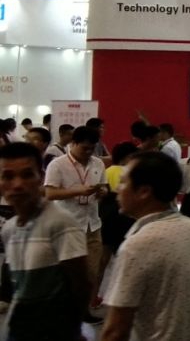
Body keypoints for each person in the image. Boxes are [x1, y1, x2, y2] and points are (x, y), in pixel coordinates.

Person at [101, 151, 190, 341]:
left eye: (123, 182)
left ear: (144, 192)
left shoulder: (138, 245)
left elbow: (115, 331)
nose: (118, 189)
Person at [0, 142, 91, 340]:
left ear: (40, 177)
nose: (17, 184)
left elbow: (81, 285)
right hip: (19, 330)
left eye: (27, 175)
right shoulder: (9, 229)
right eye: (8, 176)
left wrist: (73, 329)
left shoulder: (61, 223)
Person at [44, 125, 107, 323]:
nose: (88, 152)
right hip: (67, 226)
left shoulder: (98, 163)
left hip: (92, 225)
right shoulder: (57, 165)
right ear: (73, 143)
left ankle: (83, 311)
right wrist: (78, 191)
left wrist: (102, 192)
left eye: (92, 148)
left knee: (91, 272)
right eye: (84, 148)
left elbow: (104, 187)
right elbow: (50, 193)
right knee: (67, 272)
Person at [98, 142, 139, 296]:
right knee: (125, 259)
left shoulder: (106, 171)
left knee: (103, 260)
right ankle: (123, 294)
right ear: (126, 157)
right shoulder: (131, 173)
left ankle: (94, 296)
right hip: (126, 220)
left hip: (106, 219)